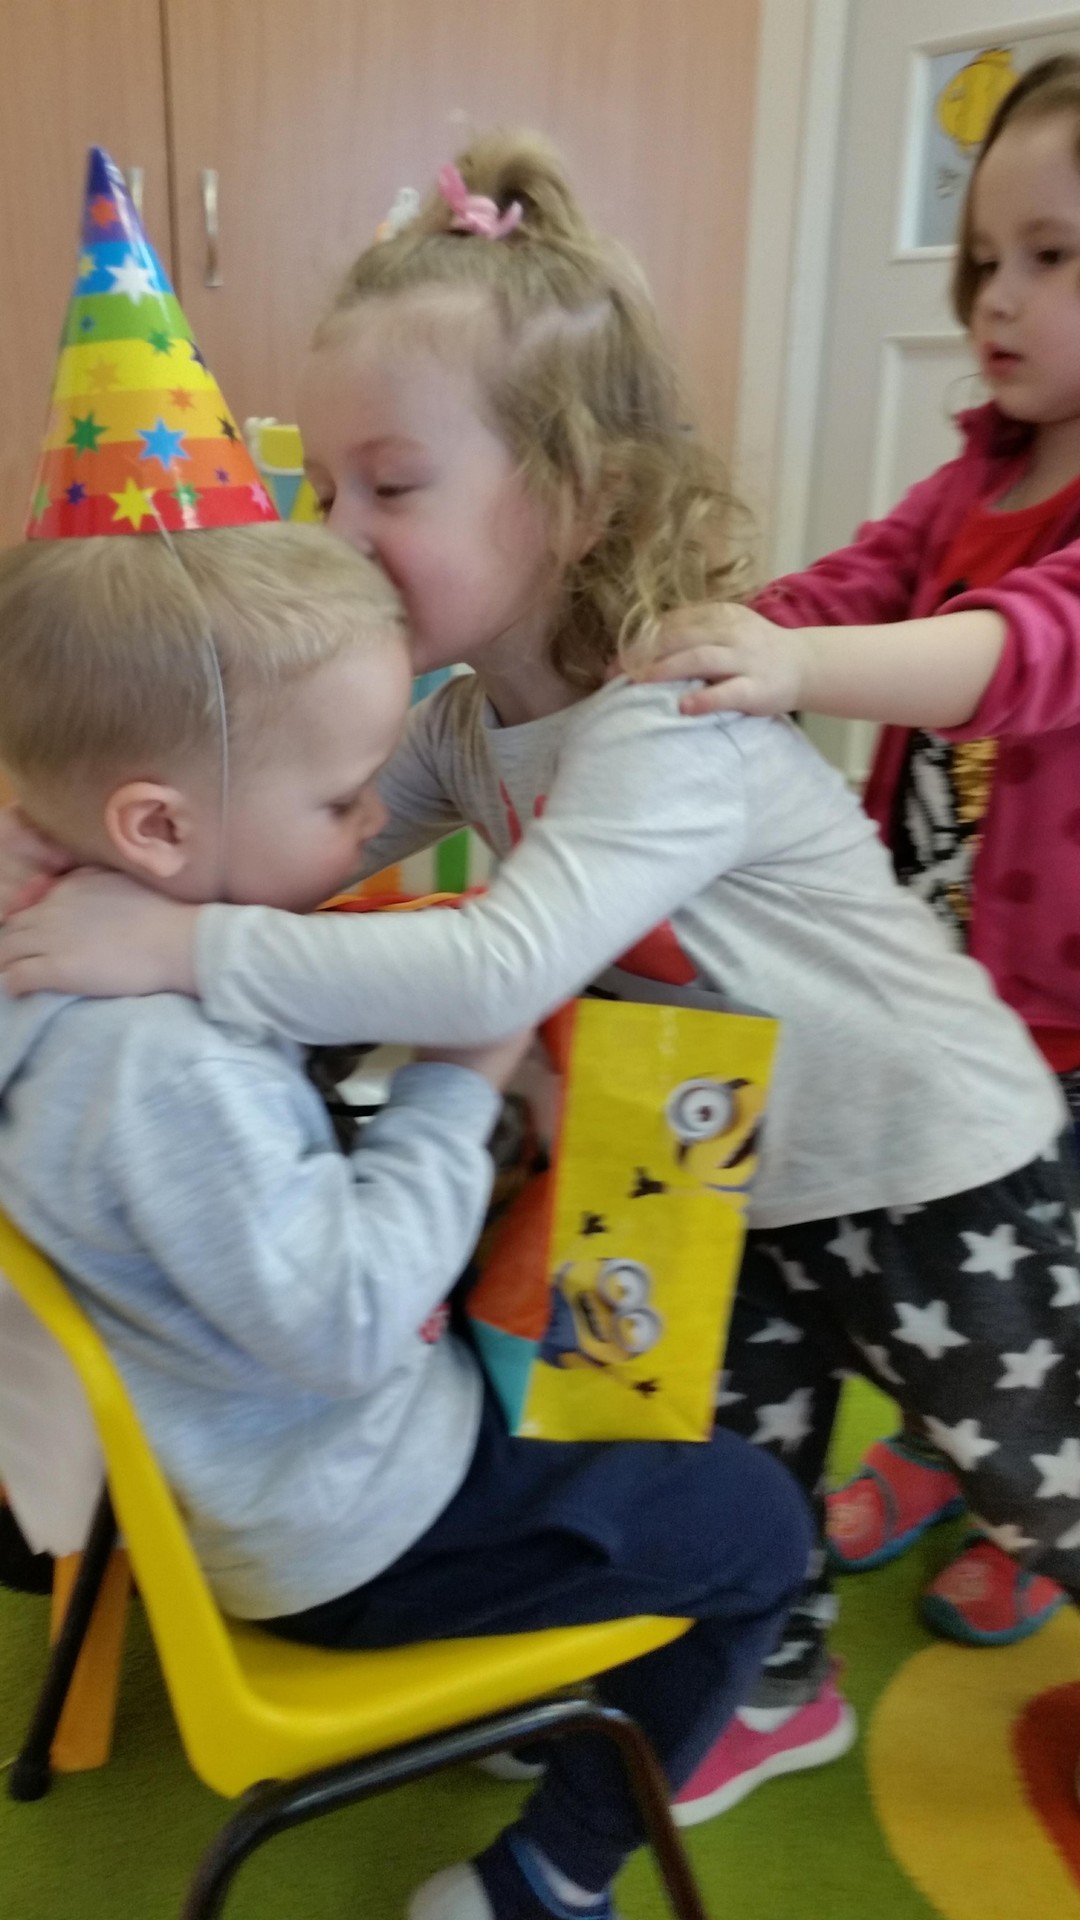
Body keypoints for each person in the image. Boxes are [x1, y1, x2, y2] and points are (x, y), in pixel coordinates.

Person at [3, 129, 1080, 1824]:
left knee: (1044, 1474)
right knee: (725, 1449)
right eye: (326, 488)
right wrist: (60, 857)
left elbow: (500, 962)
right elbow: (266, 839)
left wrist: (177, 942)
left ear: (580, 499)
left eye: (392, 487)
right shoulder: (457, 730)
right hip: (722, 1165)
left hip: (929, 1159)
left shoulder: (668, 723)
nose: (343, 532)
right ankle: (766, 1692)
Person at [0, 524, 812, 1920]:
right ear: (159, 828)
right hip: (357, 1527)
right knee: (760, 1529)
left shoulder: (56, 964)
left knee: (612, 1370)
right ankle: (553, 1873)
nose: (376, 813)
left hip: (287, 1468)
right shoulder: (156, 1072)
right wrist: (461, 1074)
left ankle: (535, 1688)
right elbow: (352, 1318)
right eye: (340, 797)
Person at [643, 52, 1080, 1659]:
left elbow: (1021, 650)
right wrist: (721, 632)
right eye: (984, 258)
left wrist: (799, 669)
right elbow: (851, 584)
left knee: (1036, 1299)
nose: (998, 298)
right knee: (943, 1268)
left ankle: (1018, 1511)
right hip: (946, 991)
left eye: (1053, 257)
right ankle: (935, 1452)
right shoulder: (975, 475)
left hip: (1069, 1013)